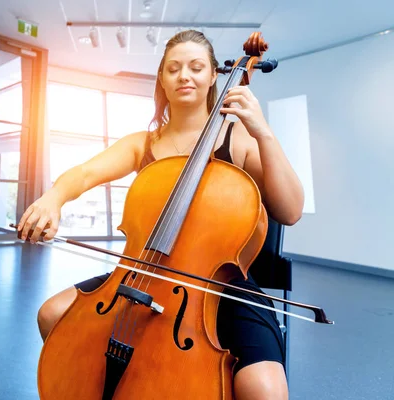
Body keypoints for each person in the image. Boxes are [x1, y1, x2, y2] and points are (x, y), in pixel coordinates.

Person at [17, 29, 303, 400]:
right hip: (143, 272)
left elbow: (291, 210)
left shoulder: (240, 140)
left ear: (214, 76)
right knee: (52, 314)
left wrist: (262, 131)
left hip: (220, 287)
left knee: (264, 389)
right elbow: (85, 173)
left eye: (196, 67)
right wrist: (53, 198)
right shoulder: (144, 144)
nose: (185, 75)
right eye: (174, 68)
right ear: (162, 81)